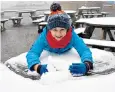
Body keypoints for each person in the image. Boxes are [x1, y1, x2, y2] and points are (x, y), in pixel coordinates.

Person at [26, 3, 93, 76]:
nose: (58, 34)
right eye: (55, 30)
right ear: (49, 29)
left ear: (67, 29)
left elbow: (84, 50)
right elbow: (32, 53)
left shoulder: (72, 36)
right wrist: (37, 67)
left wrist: (87, 65)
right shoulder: (44, 37)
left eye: (62, 29)